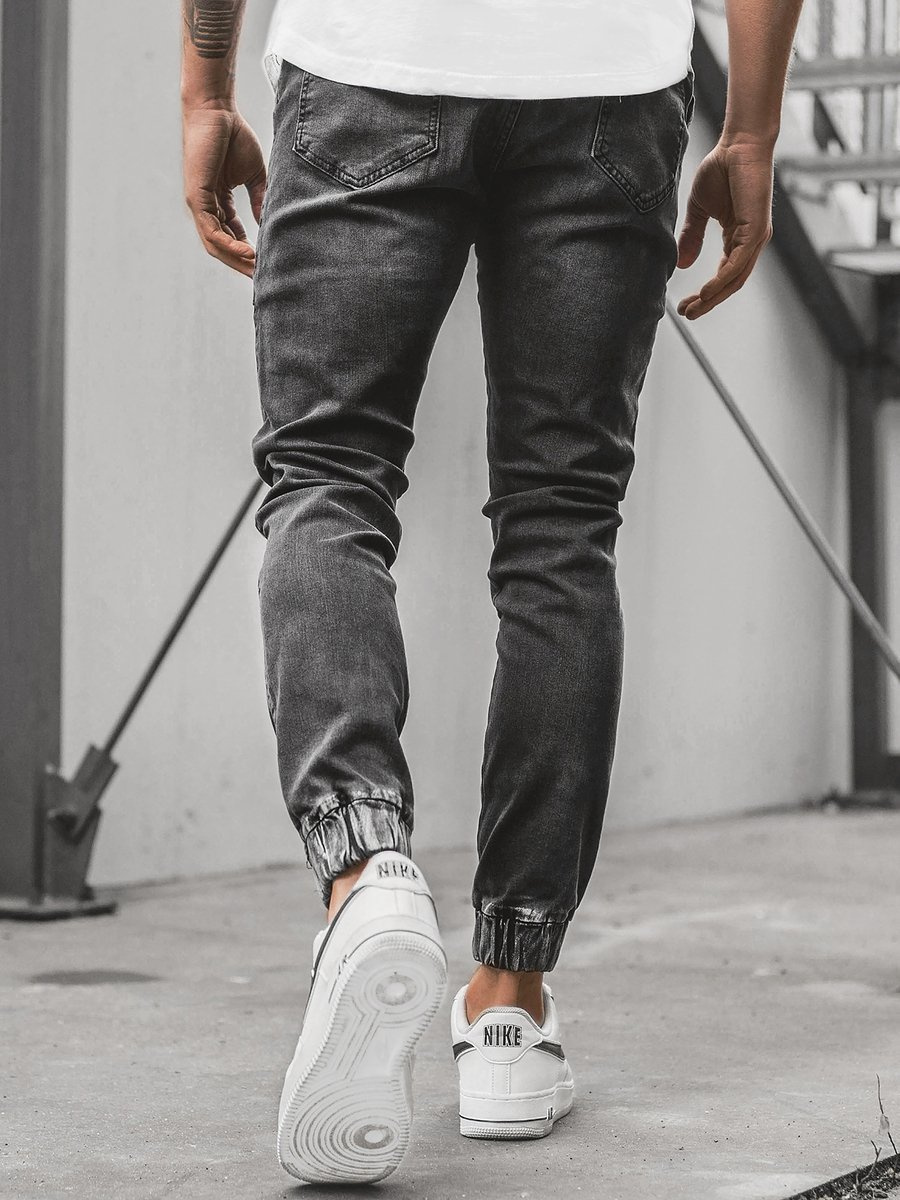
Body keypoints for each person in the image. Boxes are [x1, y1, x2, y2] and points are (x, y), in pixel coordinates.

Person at [181, 0, 802, 1182]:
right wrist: (751, 134)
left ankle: (364, 871)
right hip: (607, 84)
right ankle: (510, 1003)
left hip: (369, 63)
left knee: (328, 478)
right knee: (561, 527)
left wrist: (204, 90)